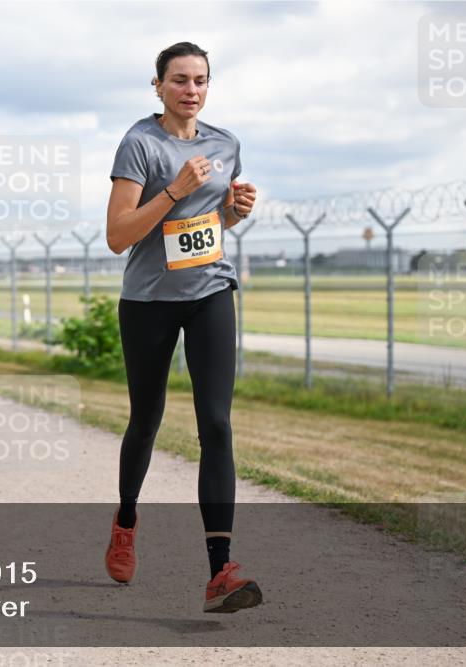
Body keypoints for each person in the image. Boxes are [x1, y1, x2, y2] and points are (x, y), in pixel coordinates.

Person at [103, 42, 260, 613]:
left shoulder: (226, 144)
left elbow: (211, 225)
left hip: (211, 291)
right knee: (146, 421)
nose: (190, 90)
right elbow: (119, 235)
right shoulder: (140, 143)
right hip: (149, 301)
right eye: (179, 80)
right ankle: (125, 519)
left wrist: (234, 212)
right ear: (158, 86)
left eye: (200, 80)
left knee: (216, 424)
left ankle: (222, 572)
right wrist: (175, 190)